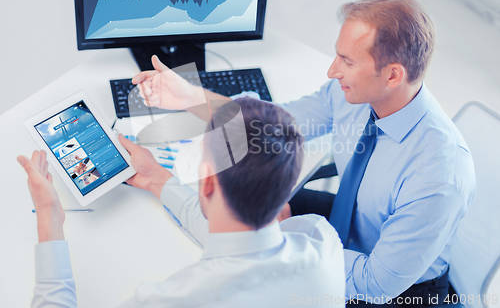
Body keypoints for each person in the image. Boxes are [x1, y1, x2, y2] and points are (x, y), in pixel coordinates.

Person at [133, 0, 475, 306]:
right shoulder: (355, 95)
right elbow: (270, 126)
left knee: (245, 236)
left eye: (347, 61)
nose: (332, 70)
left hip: (398, 292)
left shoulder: (438, 175)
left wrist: (277, 244)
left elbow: (375, 284)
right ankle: (158, 182)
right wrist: (190, 96)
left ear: (392, 75)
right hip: (351, 222)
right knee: (241, 210)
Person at [18, 97, 345, 308]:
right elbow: (240, 241)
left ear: (207, 183)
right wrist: (157, 179)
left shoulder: (172, 299)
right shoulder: (321, 240)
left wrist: (49, 220)